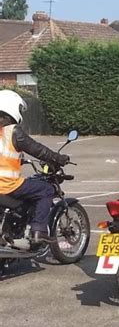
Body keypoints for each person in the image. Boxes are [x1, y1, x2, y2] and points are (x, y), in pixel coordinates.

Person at [0, 90, 69, 243]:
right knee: (45, 189)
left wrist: (20, 160)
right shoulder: (13, 131)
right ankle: (39, 231)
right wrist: (58, 158)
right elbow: (37, 149)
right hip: (6, 185)